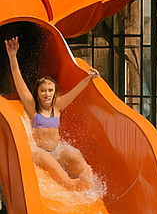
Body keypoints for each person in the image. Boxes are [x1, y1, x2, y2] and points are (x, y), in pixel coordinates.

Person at [4, 35, 97, 190]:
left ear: (54, 92)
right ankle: (70, 186)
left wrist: (88, 78)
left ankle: (89, 192)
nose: (46, 94)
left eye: (50, 90)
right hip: (40, 152)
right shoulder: (33, 107)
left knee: (84, 167)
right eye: (43, 91)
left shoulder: (57, 106)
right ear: (38, 92)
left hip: (57, 149)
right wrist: (13, 56)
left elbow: (75, 92)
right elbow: (19, 83)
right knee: (67, 180)